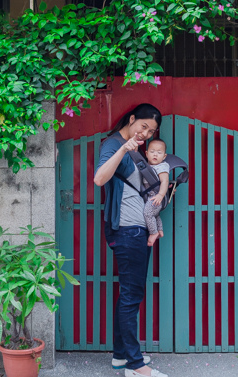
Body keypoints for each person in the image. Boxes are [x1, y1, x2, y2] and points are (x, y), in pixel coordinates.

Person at [94, 103, 168, 377]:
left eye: (151, 131)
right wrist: (124, 149)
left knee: (130, 294)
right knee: (130, 295)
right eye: (143, 126)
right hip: (127, 230)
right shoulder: (113, 145)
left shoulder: (141, 151)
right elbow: (100, 179)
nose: (146, 134)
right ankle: (136, 367)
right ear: (133, 118)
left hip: (137, 229)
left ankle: (120, 358)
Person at [142, 139, 170, 247]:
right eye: (152, 151)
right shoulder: (147, 166)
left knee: (148, 213)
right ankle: (160, 230)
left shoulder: (162, 166)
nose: (155, 154)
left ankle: (153, 232)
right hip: (151, 195)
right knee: (155, 214)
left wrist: (160, 195)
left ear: (164, 156)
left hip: (156, 196)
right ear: (146, 153)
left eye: (159, 153)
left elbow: (165, 182)